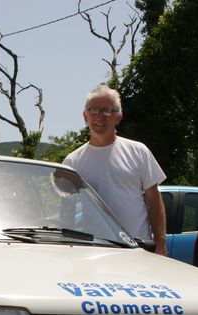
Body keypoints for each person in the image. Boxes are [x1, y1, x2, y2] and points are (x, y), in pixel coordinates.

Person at [63, 85, 167, 255]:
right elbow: (67, 209)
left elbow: (154, 199)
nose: (99, 117)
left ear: (118, 117)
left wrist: (160, 244)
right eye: (93, 110)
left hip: (137, 248)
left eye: (106, 111)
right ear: (85, 117)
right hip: (93, 249)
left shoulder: (138, 151)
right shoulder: (72, 161)